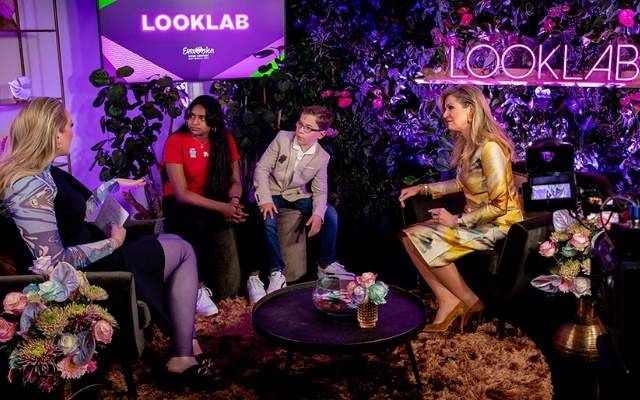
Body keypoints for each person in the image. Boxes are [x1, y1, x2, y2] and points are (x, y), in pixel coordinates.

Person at [0, 97, 213, 380]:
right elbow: (54, 262)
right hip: (86, 275)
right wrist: (112, 243)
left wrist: (112, 185)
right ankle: (183, 353)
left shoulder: (46, 171)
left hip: (98, 255)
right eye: (70, 125)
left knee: (174, 241)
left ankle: (185, 342)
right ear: (55, 133)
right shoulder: (27, 185)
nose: (73, 131)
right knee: (183, 250)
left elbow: (77, 210)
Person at [398, 85, 523, 332]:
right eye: (445, 109)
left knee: (420, 237)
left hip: (500, 226)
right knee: (407, 237)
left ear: (471, 110)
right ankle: (448, 300)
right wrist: (422, 188)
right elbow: (462, 183)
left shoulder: (490, 147)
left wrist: (457, 221)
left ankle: (470, 301)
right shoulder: (469, 144)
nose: (445, 114)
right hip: (478, 221)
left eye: (450, 108)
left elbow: (500, 206)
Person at [248, 105, 352, 304]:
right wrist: (266, 199)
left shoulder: (322, 157)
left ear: (321, 134)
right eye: (300, 124)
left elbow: (320, 190)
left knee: (330, 213)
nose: (300, 130)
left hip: (296, 195)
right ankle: (276, 273)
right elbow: (261, 169)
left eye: (308, 128)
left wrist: (318, 215)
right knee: (268, 219)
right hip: (272, 192)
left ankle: (326, 263)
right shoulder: (282, 138)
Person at [162, 95, 248, 300]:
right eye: (191, 116)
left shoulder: (225, 140)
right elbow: (182, 193)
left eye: (201, 118)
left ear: (213, 121)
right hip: (181, 202)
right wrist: (222, 208)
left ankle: (252, 279)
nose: (194, 122)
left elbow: (236, 181)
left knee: (249, 216)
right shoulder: (175, 141)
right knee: (199, 223)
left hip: (214, 196)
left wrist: (233, 203)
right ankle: (199, 287)